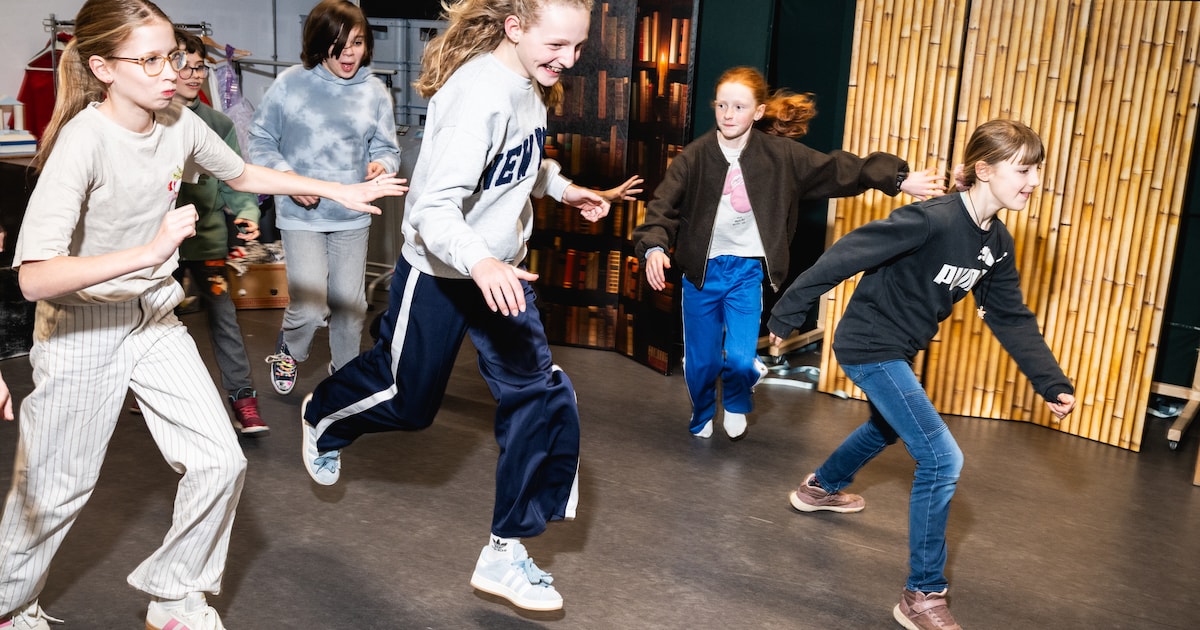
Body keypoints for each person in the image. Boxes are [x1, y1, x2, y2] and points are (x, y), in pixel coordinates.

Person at [0, 1, 407, 628]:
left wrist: (336, 189)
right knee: (54, 491)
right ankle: (8, 605)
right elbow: (34, 277)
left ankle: (176, 595)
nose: (172, 72)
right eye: (151, 60)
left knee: (220, 460)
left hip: (153, 320)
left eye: (173, 56)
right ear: (103, 68)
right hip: (83, 329)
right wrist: (149, 252)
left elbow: (241, 172)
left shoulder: (178, 121)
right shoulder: (84, 142)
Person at [298, 0, 614, 613]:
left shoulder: (529, 84)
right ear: (515, 28)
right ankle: (323, 415)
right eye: (557, 45)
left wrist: (564, 189)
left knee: (541, 396)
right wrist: (479, 261)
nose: (569, 60)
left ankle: (506, 550)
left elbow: (521, 163)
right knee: (407, 402)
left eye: (578, 47)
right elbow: (432, 208)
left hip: (500, 273)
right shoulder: (477, 96)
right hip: (442, 271)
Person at [767, 119, 1077, 630]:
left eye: (1037, 170)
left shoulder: (996, 244)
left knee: (887, 426)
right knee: (942, 457)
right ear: (984, 170)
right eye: (1024, 170)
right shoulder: (931, 220)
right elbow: (846, 254)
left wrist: (1051, 382)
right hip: (868, 344)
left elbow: (1010, 317)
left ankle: (820, 488)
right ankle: (922, 594)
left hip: (896, 349)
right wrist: (787, 312)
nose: (1035, 181)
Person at [632, 66, 945, 440]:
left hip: (746, 273)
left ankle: (736, 401)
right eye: (722, 105)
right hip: (701, 274)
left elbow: (837, 169)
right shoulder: (695, 157)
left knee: (741, 359)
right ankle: (702, 412)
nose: (728, 115)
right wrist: (654, 245)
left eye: (739, 107)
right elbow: (662, 205)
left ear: (759, 112)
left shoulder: (781, 156)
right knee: (702, 362)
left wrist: (897, 178)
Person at [248, 0, 402, 396]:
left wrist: (382, 165)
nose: (349, 54)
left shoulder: (374, 91)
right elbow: (260, 141)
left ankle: (345, 374)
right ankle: (291, 347)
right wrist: (289, 180)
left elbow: (387, 147)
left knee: (351, 306)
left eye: (357, 43)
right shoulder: (290, 84)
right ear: (320, 43)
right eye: (339, 45)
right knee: (311, 307)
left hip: (352, 216)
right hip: (300, 216)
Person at [171, 28, 268, 436]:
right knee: (156, 320)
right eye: (185, 66)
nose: (194, 75)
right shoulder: (150, 121)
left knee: (224, 317)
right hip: (158, 249)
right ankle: (154, 391)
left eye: (199, 67)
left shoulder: (217, 123)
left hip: (207, 241)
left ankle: (244, 400)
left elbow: (234, 178)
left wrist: (246, 212)